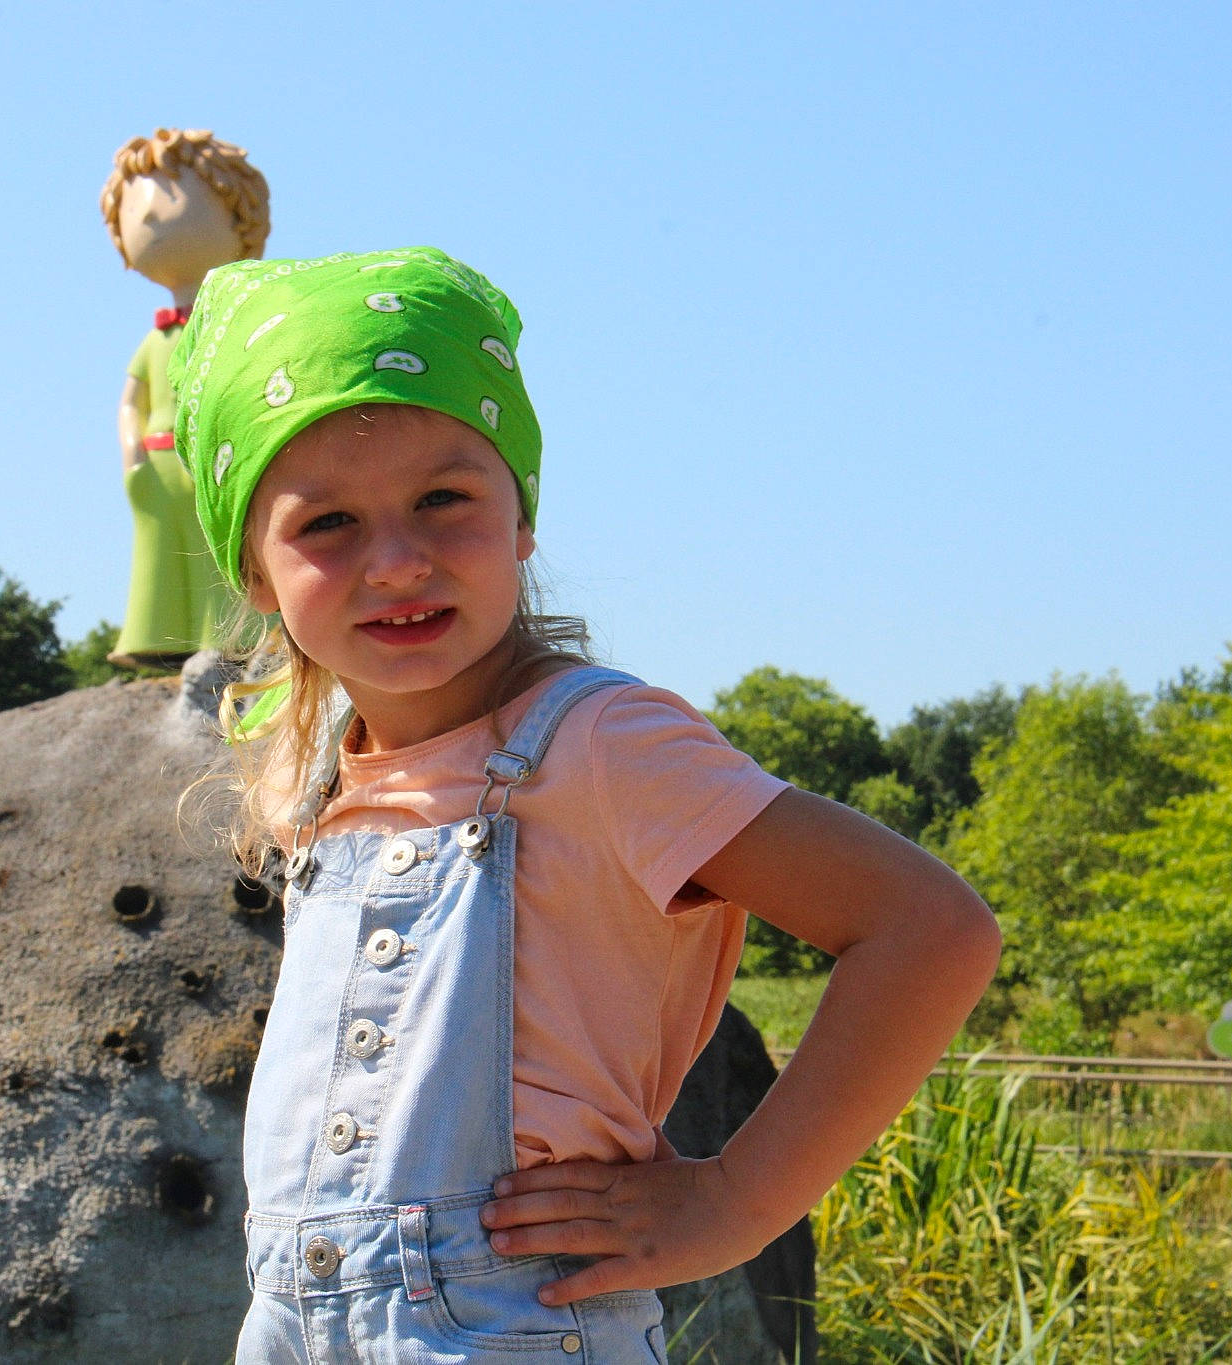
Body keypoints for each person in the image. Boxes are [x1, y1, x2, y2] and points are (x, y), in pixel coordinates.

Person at [169, 247, 1001, 1363]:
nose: (398, 559)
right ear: (256, 576)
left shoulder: (602, 745)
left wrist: (736, 1204)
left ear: (521, 520)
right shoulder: (313, 789)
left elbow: (929, 930)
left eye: (443, 500)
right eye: (326, 524)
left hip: (515, 1330)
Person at [98, 128, 269, 667]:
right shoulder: (156, 341)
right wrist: (132, 454)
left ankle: (240, 635)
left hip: (217, 459)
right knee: (161, 552)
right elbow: (131, 400)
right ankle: (159, 637)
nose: (148, 215)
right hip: (159, 457)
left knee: (224, 551)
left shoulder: (235, 327)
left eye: (172, 195)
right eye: (134, 204)